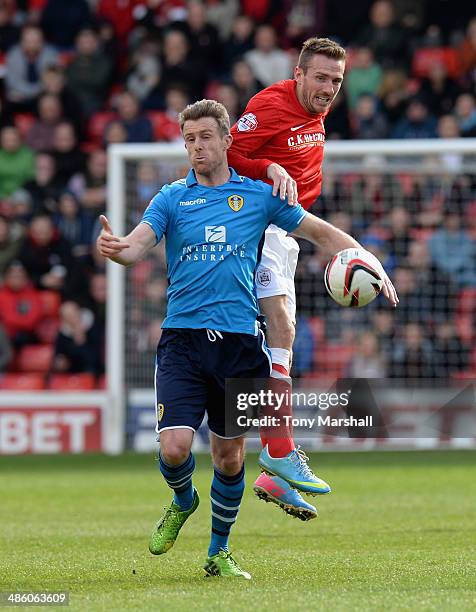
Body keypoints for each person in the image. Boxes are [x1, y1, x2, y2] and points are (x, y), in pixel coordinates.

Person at [97, 99, 398, 577]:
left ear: (226, 140)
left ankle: (219, 552)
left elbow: (320, 232)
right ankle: (182, 500)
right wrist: (117, 250)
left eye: (205, 137)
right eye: (190, 139)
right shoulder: (172, 198)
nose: (197, 147)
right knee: (174, 447)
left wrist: (369, 259)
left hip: (240, 344)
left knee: (229, 456)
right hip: (182, 341)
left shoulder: (258, 197)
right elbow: (136, 245)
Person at [227, 37, 348, 514]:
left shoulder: (316, 110)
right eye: (320, 77)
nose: (328, 88)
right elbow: (228, 153)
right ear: (297, 74)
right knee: (279, 328)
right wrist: (268, 165)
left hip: (287, 230)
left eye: (336, 81)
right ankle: (279, 450)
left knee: (272, 344)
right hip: (257, 223)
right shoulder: (270, 103)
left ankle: (272, 468)